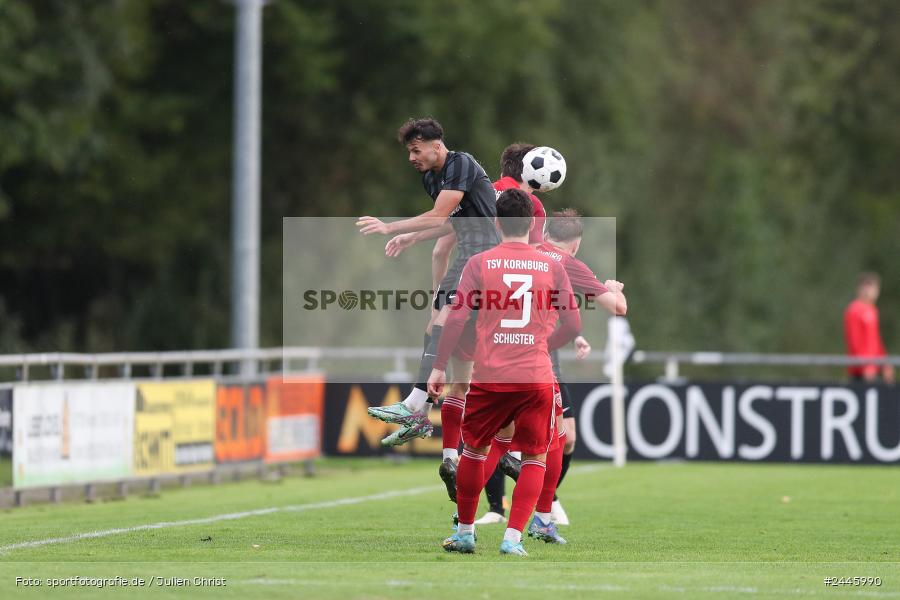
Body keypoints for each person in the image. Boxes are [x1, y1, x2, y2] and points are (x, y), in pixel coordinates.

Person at [427, 188, 582, 556]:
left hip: (490, 374)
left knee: (476, 451)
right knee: (534, 457)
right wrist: (544, 344)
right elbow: (573, 324)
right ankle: (513, 539)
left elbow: (456, 318)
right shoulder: (553, 265)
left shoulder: (479, 263)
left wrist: (437, 366)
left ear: (496, 223)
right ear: (532, 224)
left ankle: (465, 532)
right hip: (535, 375)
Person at [474, 209, 627, 539]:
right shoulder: (566, 262)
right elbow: (618, 308)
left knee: (514, 439)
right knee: (555, 439)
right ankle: (540, 512)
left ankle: (472, 515)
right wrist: (614, 287)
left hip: (498, 354)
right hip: (537, 362)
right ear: (576, 243)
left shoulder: (526, 249)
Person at [358, 118, 500, 448]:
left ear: (436, 146)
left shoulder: (460, 163)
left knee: (447, 316)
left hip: (487, 255)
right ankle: (419, 411)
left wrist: (392, 228)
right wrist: (412, 238)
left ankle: (414, 404)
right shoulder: (430, 178)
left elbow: (439, 215)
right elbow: (450, 223)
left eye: (415, 149)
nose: (411, 157)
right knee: (432, 324)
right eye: (409, 151)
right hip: (469, 254)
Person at [844, 272, 894, 384]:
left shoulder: (872, 311)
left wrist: (885, 363)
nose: (868, 292)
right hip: (860, 371)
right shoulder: (854, 310)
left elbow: (876, 341)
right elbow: (855, 340)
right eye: (864, 288)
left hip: (873, 368)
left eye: (871, 288)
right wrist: (864, 366)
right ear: (858, 290)